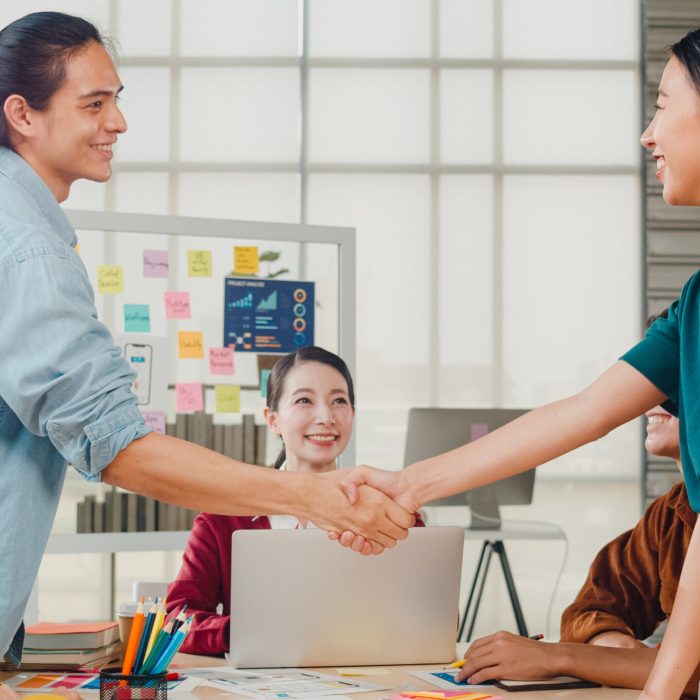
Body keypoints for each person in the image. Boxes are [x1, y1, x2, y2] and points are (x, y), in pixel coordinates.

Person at [0, 11, 414, 669]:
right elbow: (114, 446)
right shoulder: (30, 250)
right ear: (22, 114)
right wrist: (307, 496)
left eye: (118, 101)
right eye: (94, 104)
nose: (119, 123)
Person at [338, 27, 700, 700]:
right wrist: (411, 486)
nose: (648, 135)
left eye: (663, 104)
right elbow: (585, 413)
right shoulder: (697, 301)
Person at [165, 346, 425, 655]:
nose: (326, 417)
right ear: (272, 419)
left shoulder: (387, 511)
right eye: (304, 400)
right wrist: (239, 631)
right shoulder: (223, 519)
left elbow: (434, 618)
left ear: (353, 414)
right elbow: (175, 621)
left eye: (339, 401)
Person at [446, 399, 700, 695]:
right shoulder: (669, 513)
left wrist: (559, 657)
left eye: (680, 381)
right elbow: (589, 609)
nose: (652, 399)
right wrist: (618, 653)